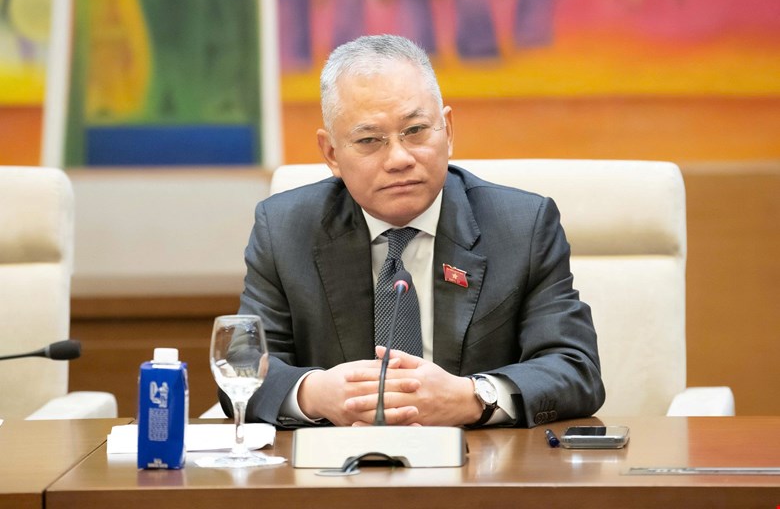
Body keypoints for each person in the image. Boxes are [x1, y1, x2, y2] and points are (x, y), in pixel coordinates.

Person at [220, 34, 604, 428]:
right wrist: (315, 393)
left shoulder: (521, 227)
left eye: (415, 130)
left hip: (477, 460)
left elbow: (575, 369)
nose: (399, 158)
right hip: (339, 461)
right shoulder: (285, 229)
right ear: (332, 153)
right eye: (369, 140)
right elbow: (241, 368)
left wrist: (473, 397)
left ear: (447, 130)